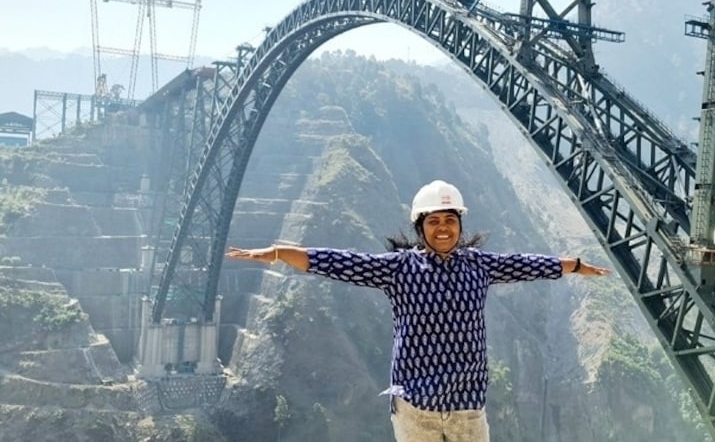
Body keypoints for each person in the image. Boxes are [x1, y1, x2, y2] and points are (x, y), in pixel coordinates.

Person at [225, 179, 610, 442]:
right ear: (420, 226)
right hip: (415, 408)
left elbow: (528, 264)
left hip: (467, 408)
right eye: (434, 221)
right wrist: (277, 253)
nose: (443, 228)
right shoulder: (398, 269)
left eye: (449, 220)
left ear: (460, 224)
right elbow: (336, 261)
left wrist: (574, 264)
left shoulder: (480, 265)